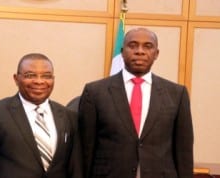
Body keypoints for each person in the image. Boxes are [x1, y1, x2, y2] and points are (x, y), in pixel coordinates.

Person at [78, 28, 194, 178]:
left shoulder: (177, 94)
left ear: (156, 54)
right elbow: (85, 149)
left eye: (148, 46)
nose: (140, 51)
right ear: (122, 51)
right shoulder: (95, 92)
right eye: (133, 45)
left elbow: (183, 151)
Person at [0, 53, 83, 178]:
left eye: (47, 76)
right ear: (16, 79)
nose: (39, 81)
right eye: (30, 75)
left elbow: (75, 169)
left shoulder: (69, 116)